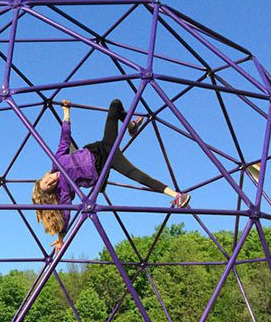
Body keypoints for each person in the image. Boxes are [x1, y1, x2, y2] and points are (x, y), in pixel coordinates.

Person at [32, 98, 191, 251]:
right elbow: (66, 210)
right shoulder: (64, 188)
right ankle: (176, 195)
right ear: (53, 191)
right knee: (138, 175)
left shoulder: (57, 161)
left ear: (45, 175)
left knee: (115, 104)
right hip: (101, 168)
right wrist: (61, 236)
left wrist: (66, 112)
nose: (52, 180)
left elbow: (64, 139)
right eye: (50, 186)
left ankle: (130, 125)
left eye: (47, 180)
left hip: (102, 148)